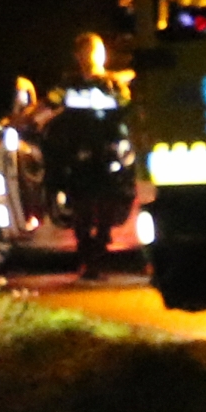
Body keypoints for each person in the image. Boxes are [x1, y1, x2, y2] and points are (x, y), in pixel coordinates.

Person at [45, 35, 136, 278]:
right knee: (82, 209)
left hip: (108, 154)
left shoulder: (113, 85)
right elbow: (48, 104)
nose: (90, 57)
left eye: (94, 51)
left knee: (107, 206)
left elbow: (128, 110)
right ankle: (88, 259)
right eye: (85, 52)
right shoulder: (69, 84)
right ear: (77, 56)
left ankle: (99, 251)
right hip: (79, 155)